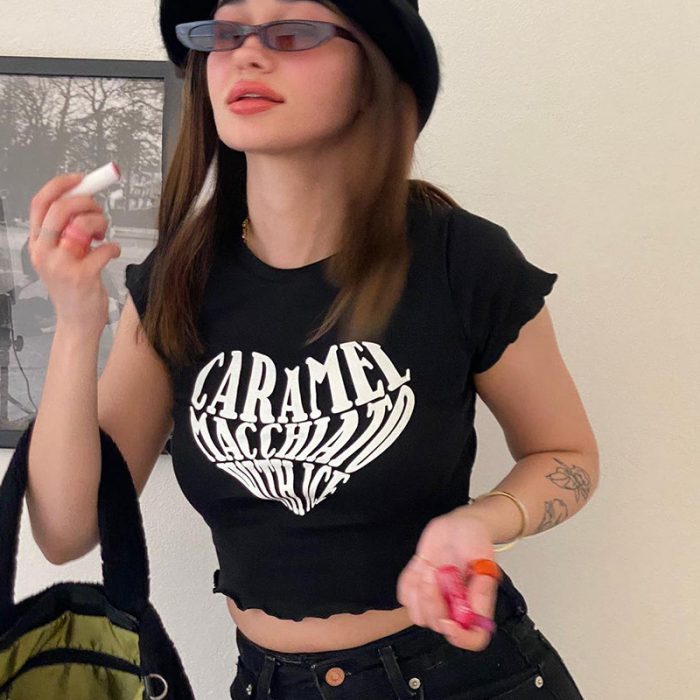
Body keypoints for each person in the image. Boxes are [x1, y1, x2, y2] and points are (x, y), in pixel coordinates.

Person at [24, 0, 599, 697]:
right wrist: (76, 321)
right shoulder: (178, 281)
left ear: (375, 71)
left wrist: (480, 521)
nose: (247, 53)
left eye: (293, 32)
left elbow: (567, 454)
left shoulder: (462, 260)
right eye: (225, 32)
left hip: (462, 678)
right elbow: (66, 531)